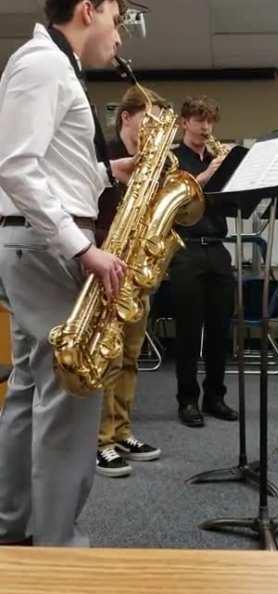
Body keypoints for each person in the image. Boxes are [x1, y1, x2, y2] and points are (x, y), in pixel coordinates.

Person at [0, 0, 138, 546]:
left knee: (30, 390)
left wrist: (110, 171)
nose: (119, 36)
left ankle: (14, 530)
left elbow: (50, 167)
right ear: (87, 10)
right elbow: (15, 166)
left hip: (35, 243)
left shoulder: (54, 66)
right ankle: (56, 547)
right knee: (73, 392)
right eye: (116, 19)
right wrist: (84, 247)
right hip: (50, 248)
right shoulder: (42, 64)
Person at [95, 86, 166, 476]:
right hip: (105, 262)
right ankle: (100, 440)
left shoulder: (152, 162)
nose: (154, 130)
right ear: (126, 116)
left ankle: (122, 431)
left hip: (135, 269)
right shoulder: (100, 153)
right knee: (107, 356)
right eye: (148, 121)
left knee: (130, 358)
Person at [169, 96, 238, 427]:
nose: (206, 127)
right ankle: (187, 400)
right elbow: (178, 200)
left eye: (210, 120)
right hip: (187, 249)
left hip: (218, 248)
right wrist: (210, 172)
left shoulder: (216, 158)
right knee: (188, 330)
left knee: (220, 330)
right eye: (199, 120)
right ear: (184, 123)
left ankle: (215, 396)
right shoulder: (171, 159)